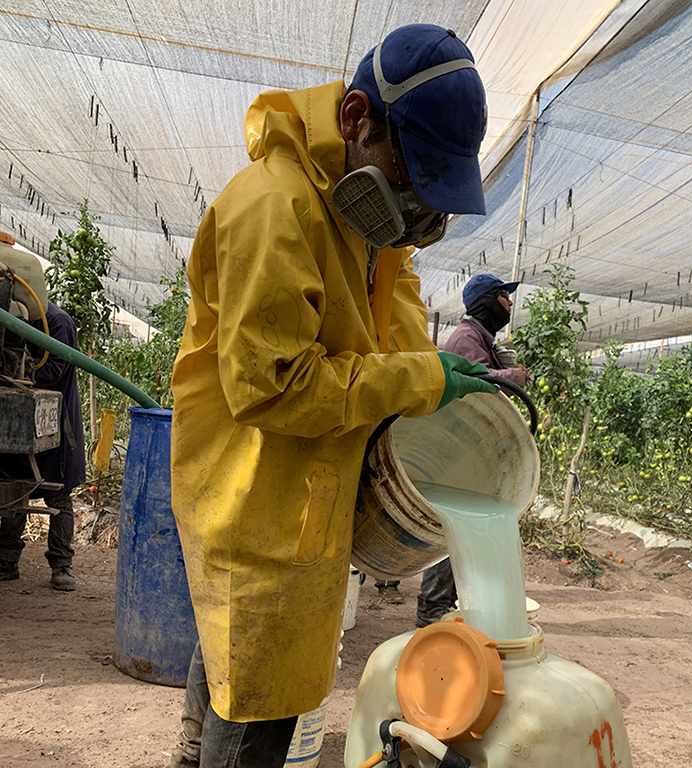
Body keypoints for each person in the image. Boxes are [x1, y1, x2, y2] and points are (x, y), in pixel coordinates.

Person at [168, 24, 497, 768]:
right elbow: (274, 384)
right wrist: (422, 380)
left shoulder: (367, 227)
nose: (418, 213)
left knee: (233, 662)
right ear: (356, 120)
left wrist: (431, 379)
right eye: (413, 181)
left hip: (299, 492)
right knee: (260, 703)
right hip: (256, 497)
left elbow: (396, 325)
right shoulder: (272, 209)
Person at [416, 273, 531, 628]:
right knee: (455, 526)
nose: (509, 304)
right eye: (503, 297)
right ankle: (432, 608)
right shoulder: (467, 338)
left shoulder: (481, 339)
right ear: (486, 301)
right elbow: (477, 384)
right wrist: (514, 376)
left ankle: (445, 604)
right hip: (454, 451)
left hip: (466, 450)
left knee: (463, 528)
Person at [0, 302, 86, 591]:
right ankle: (7, 562)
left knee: (58, 495)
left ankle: (61, 565)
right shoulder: (11, 318)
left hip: (55, 424)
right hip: (19, 422)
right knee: (13, 491)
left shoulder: (57, 323)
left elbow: (53, 370)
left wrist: (16, 370)